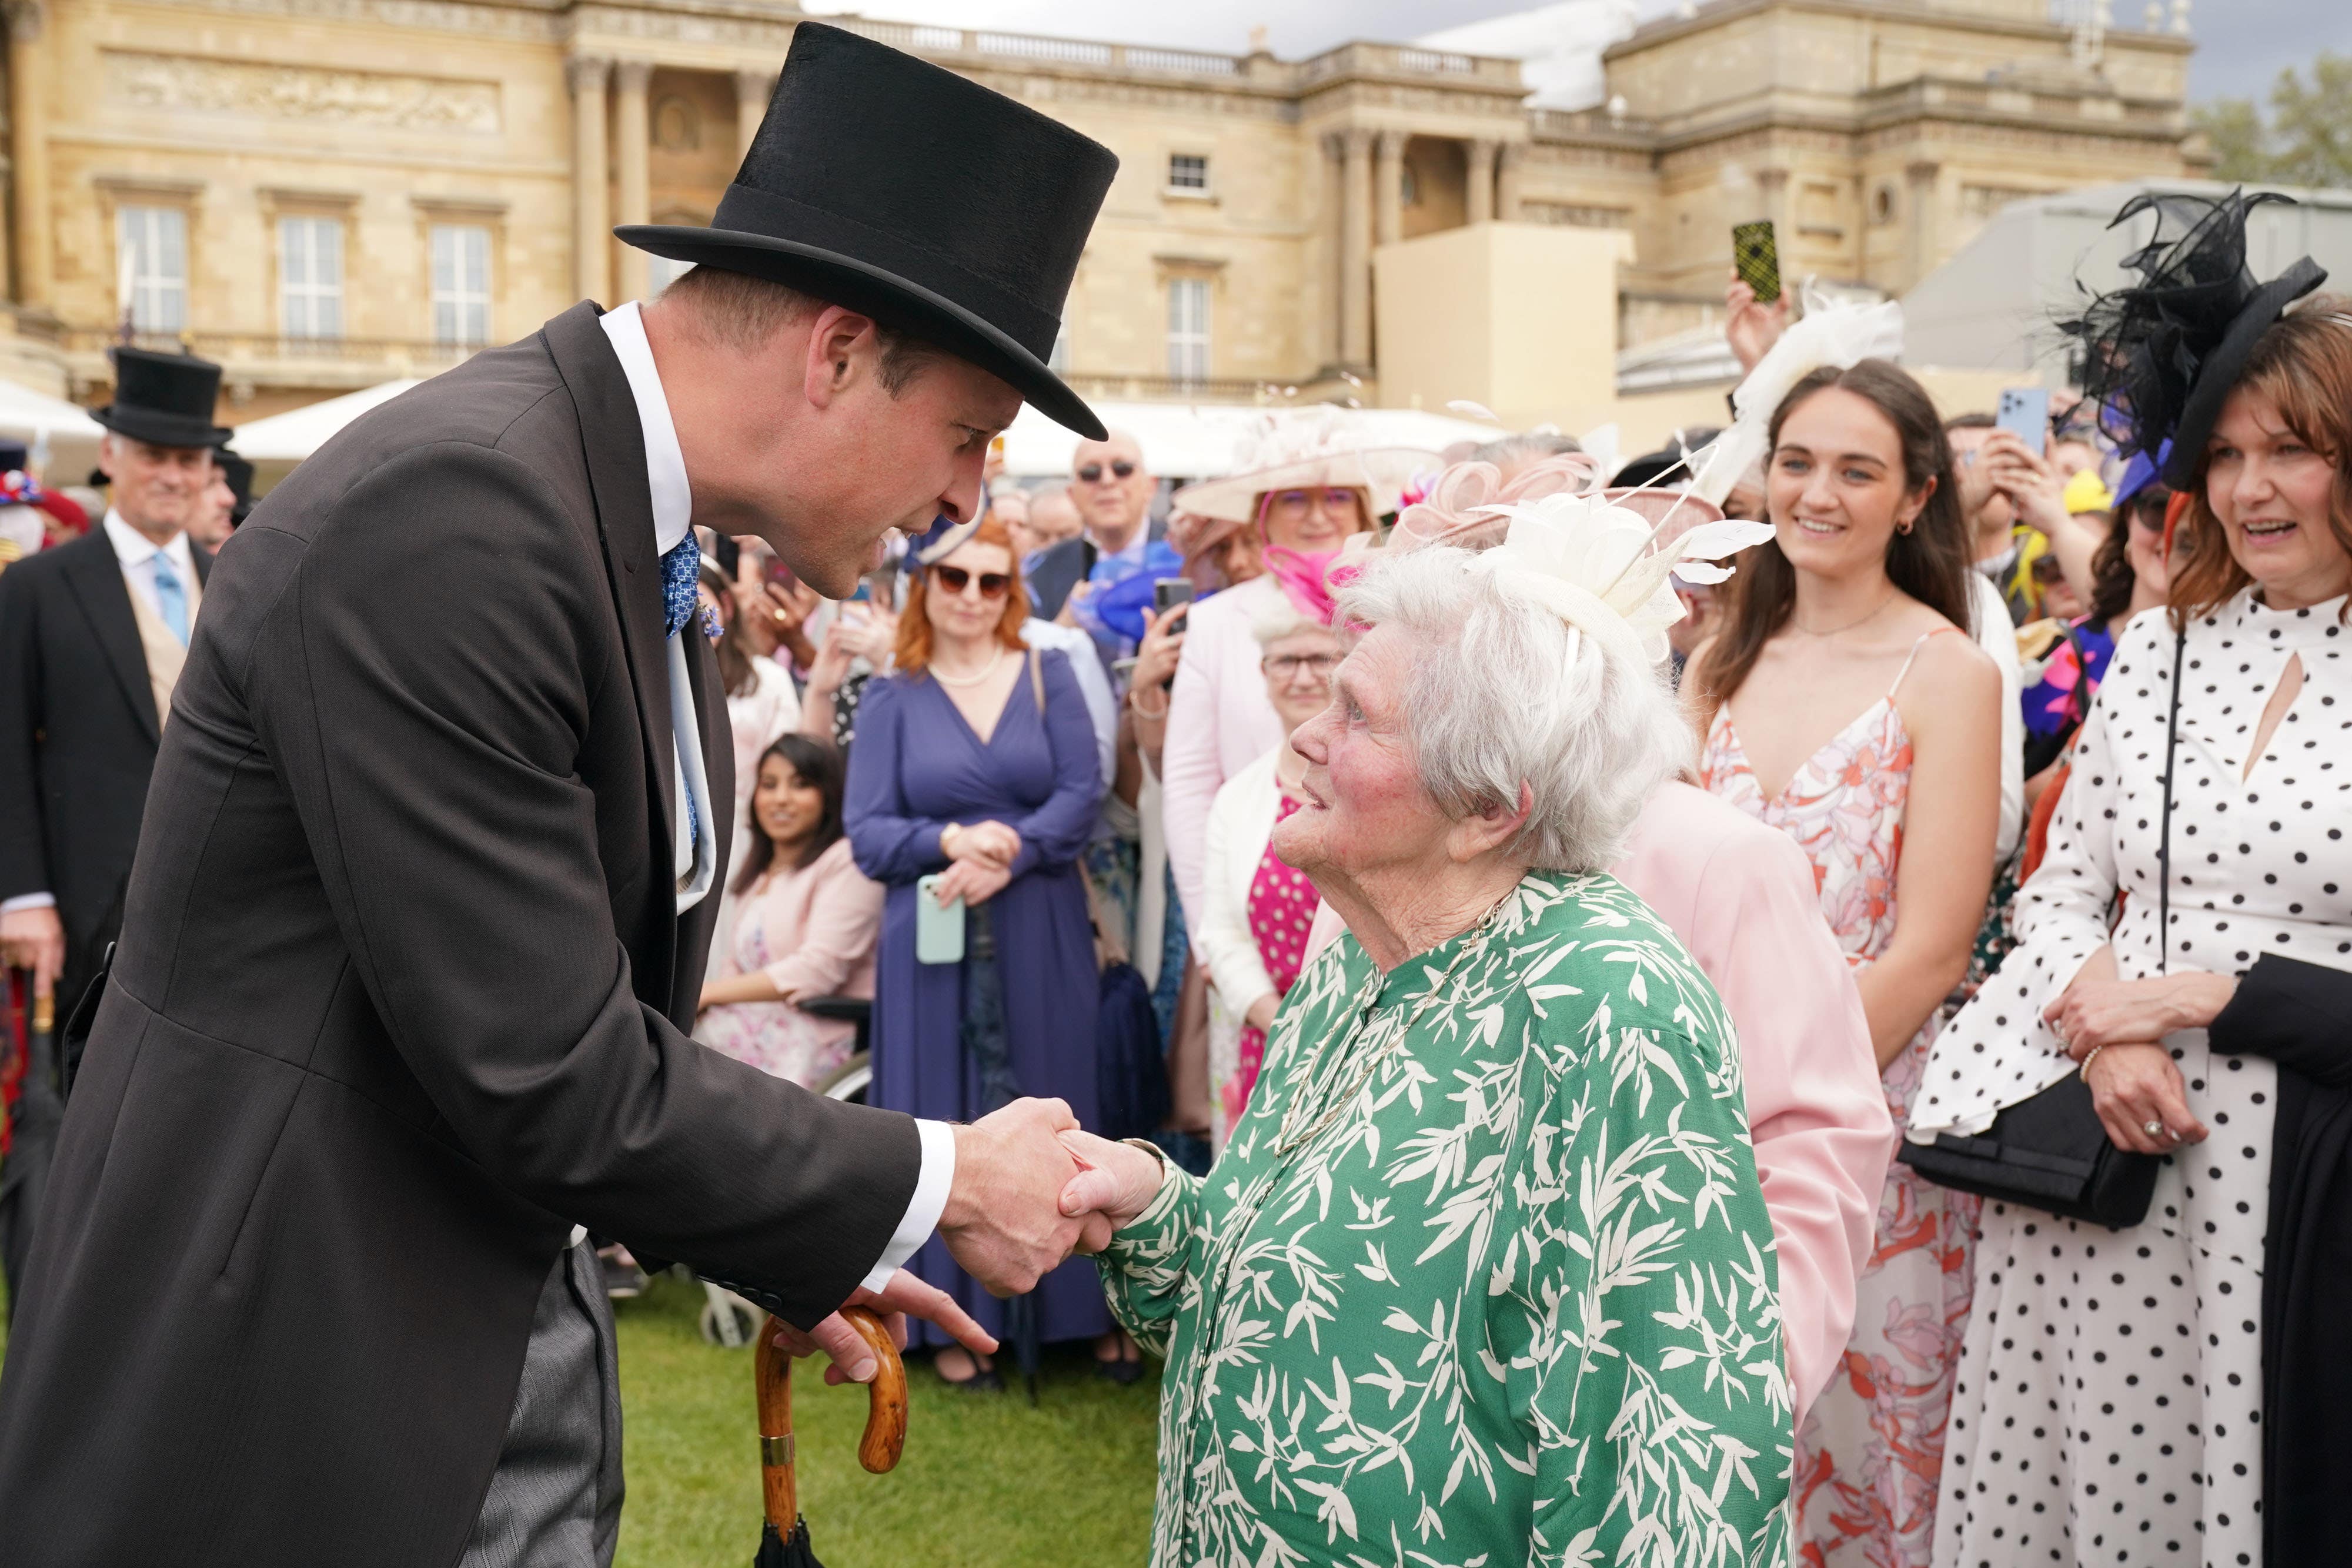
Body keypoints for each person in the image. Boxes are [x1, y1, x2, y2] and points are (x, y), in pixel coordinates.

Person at [0, 28, 1120, 1565]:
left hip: (451, 1318)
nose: (967, 503)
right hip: (288, 1385)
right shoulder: (461, 512)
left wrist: (790, 1229)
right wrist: (929, 1179)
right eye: (971, 437)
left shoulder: (599, 514)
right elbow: (541, 1062)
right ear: (837, 353)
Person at [1060, 503, 1794, 1564]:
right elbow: (1289, 1296)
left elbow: (1673, 1469)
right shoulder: (1362, 945)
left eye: (1356, 715)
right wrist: (1152, 1204)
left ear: (1489, 805)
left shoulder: (1606, 1004)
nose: (1303, 733)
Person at [1913, 192, 2352, 1568]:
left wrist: (2217, 993)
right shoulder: (2164, 646)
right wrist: (2100, 1021)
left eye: (2293, 451)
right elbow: (2052, 894)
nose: (2249, 491)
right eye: (2221, 455)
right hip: (2109, 1179)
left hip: (2305, 1195)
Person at [1686, 359, 2002, 1567]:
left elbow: (1928, 952)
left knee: (1863, 1458)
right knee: (1723, 1437)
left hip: (1864, 1131)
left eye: (1855, 470)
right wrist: (1690, 1105)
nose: (1817, 492)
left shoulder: (1948, 673)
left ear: (1914, 497)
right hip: (1696, 1117)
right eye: (1797, 461)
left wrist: (1762, 1101)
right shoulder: (1719, 657)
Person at [844, 514, 1111, 1389]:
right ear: (924, 582)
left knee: (1058, 1094)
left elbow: (1081, 793)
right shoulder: (893, 693)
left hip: (1039, 916)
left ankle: (1071, 1309)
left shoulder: (1050, 672)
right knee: (938, 1113)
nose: (970, 596)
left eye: (991, 581)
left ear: (1012, 593)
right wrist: (958, 840)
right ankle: (943, 1320)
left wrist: (1016, 852)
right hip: (932, 926)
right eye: (953, 578)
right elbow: (871, 833)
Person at [0, 349, 225, 1301]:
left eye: (189, 457)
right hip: (88, 911)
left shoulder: (243, 579)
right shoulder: (40, 588)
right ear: (111, 456)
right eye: (151, 453)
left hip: (225, 919)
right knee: (88, 1134)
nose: (171, 474)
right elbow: (4, 748)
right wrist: (23, 893)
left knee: (205, 1136)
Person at [1159, 412, 1432, 932]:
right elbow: (1190, 785)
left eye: (1334, 497)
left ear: (1361, 509)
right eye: (1293, 498)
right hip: (1253, 889)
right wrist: (1210, 928)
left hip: (1384, 885)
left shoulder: (1406, 613)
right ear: (1262, 517)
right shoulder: (1215, 622)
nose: (1316, 516)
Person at [1193, 602, 1342, 1147]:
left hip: (1361, 1038)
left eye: (1320, 658)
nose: (1302, 676)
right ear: (1263, 673)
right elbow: (1224, 934)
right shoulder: (1238, 798)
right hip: (1272, 1042)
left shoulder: (1376, 791)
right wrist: (1281, 1023)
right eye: (1285, 661)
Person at [697, 734, 880, 1088]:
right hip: (755, 1025)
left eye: (800, 785)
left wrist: (711, 993)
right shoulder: (758, 878)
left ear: (828, 796)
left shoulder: (847, 862)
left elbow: (818, 969)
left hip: (819, 1033)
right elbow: (736, 967)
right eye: (769, 785)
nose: (781, 798)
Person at [2016, 452, 2171, 787]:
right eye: (2159, 508)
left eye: (2204, 517)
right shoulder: (2053, 655)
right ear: (2129, 520)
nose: (2178, 531)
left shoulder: (2251, 655)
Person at [1025, 429, 1159, 620]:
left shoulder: (1185, 557)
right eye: (1090, 473)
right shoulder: (1045, 569)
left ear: (1150, 486)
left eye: (1122, 469)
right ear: (1072, 495)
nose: (1107, 481)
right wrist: (1059, 633)